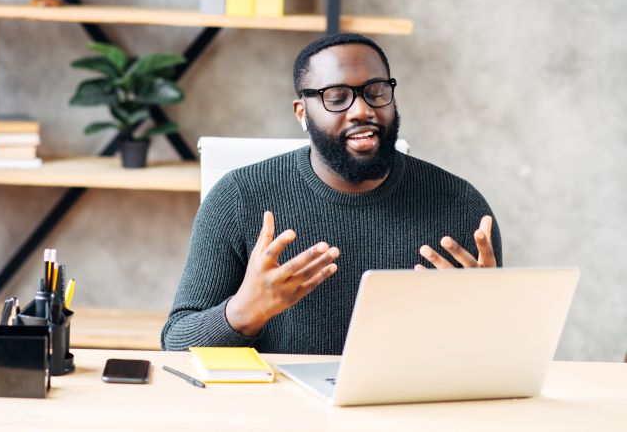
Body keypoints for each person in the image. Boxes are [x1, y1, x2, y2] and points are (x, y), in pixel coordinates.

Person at [161, 33, 502, 355]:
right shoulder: (239, 198)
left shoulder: (461, 206)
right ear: (302, 114)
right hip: (281, 412)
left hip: (407, 410)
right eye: (336, 98)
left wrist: (488, 317)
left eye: (377, 92)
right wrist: (242, 313)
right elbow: (176, 341)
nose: (362, 110)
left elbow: (493, 355)